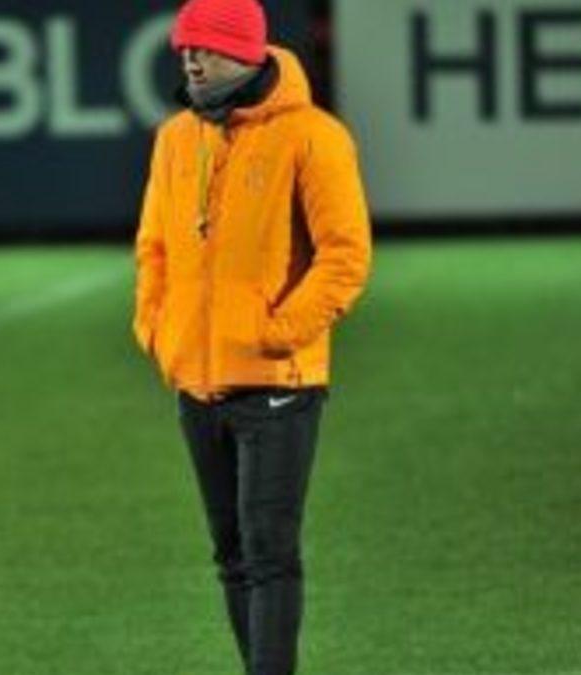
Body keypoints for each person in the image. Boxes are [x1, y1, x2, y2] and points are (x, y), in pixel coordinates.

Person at [132, 0, 372, 673]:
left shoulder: (313, 136)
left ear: (244, 51)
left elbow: (345, 256)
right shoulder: (176, 137)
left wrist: (277, 334)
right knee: (232, 555)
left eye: (204, 47)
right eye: (184, 47)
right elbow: (153, 248)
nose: (189, 58)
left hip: (278, 385)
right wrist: (158, 331)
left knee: (269, 554)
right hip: (196, 384)